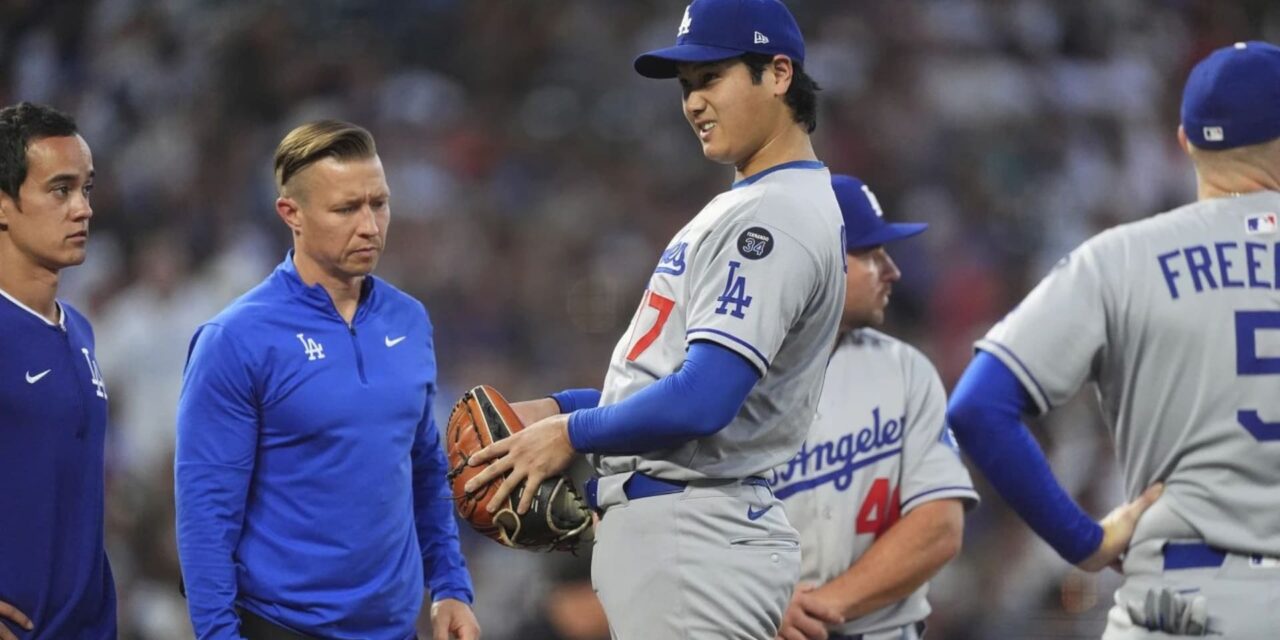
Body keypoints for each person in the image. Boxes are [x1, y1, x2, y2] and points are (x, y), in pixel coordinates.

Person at [465, 0, 847, 637]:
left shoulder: (771, 217)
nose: (693, 102)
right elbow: (686, 391)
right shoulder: (762, 203)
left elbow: (704, 401)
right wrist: (563, 409)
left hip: (690, 539)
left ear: (779, 74)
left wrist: (570, 433)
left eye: (712, 78)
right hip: (689, 538)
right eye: (686, 87)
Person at [946, 41, 1280, 639]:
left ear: (1185, 143)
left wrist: (1086, 542)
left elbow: (977, 407)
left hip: (1174, 611)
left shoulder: (1118, 257)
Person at [174, 120, 479, 640]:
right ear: (290, 214)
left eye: (378, 204)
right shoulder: (236, 339)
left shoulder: (408, 320)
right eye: (346, 209)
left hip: (394, 629)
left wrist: (450, 586)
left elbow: (424, 468)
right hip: (282, 627)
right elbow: (205, 515)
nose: (370, 226)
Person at [773, 175, 978, 640]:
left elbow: (940, 527)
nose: (892, 271)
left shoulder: (905, 371)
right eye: (870, 254)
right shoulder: (723, 379)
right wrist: (756, 605)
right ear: (817, 262)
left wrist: (820, 608)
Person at [0, 102, 115, 640]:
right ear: (3, 204)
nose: (82, 209)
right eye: (60, 190)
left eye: (86, 189)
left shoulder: (82, 331)